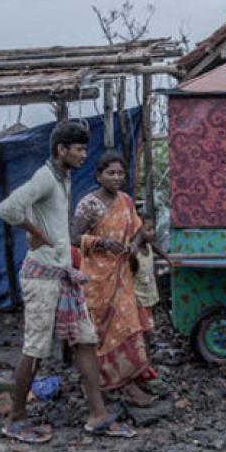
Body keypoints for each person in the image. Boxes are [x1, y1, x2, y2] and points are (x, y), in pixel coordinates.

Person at [0, 121, 133, 443]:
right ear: (62, 150)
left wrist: (44, 234)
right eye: (79, 149)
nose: (84, 155)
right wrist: (34, 232)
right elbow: (7, 208)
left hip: (62, 275)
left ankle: (98, 415)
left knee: (85, 340)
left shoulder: (63, 178)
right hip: (41, 276)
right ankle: (16, 419)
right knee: (36, 348)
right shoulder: (45, 177)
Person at [71, 151, 158, 408]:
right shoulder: (89, 204)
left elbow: (139, 231)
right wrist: (102, 243)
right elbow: (74, 237)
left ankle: (127, 383)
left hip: (122, 276)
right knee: (97, 331)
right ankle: (97, 384)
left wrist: (133, 244)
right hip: (97, 280)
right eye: (111, 173)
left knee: (128, 326)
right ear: (99, 176)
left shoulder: (126, 202)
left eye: (120, 173)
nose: (116, 177)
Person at [131, 213, 170, 320]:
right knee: (145, 326)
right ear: (138, 231)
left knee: (150, 320)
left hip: (149, 295)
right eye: (149, 230)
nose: (153, 232)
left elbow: (154, 247)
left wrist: (166, 257)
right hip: (139, 301)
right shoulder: (134, 254)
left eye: (153, 229)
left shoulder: (148, 246)